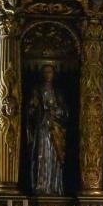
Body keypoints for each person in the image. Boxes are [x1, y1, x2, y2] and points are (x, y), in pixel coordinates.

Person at [27, 65, 68, 194]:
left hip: (55, 129)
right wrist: (42, 113)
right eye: (45, 72)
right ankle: (42, 185)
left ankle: (54, 186)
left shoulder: (58, 92)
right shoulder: (37, 91)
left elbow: (65, 112)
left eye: (50, 72)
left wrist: (57, 112)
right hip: (43, 128)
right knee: (42, 156)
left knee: (54, 158)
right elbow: (30, 110)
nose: (48, 75)